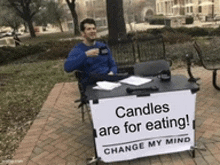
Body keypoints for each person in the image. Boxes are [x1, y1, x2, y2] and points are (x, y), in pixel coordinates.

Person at [64, 18, 117, 89]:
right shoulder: (78, 49)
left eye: (94, 28)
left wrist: (111, 73)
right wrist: (86, 55)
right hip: (91, 85)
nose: (92, 31)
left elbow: (113, 65)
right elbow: (67, 67)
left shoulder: (103, 47)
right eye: (89, 29)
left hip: (108, 81)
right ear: (83, 33)